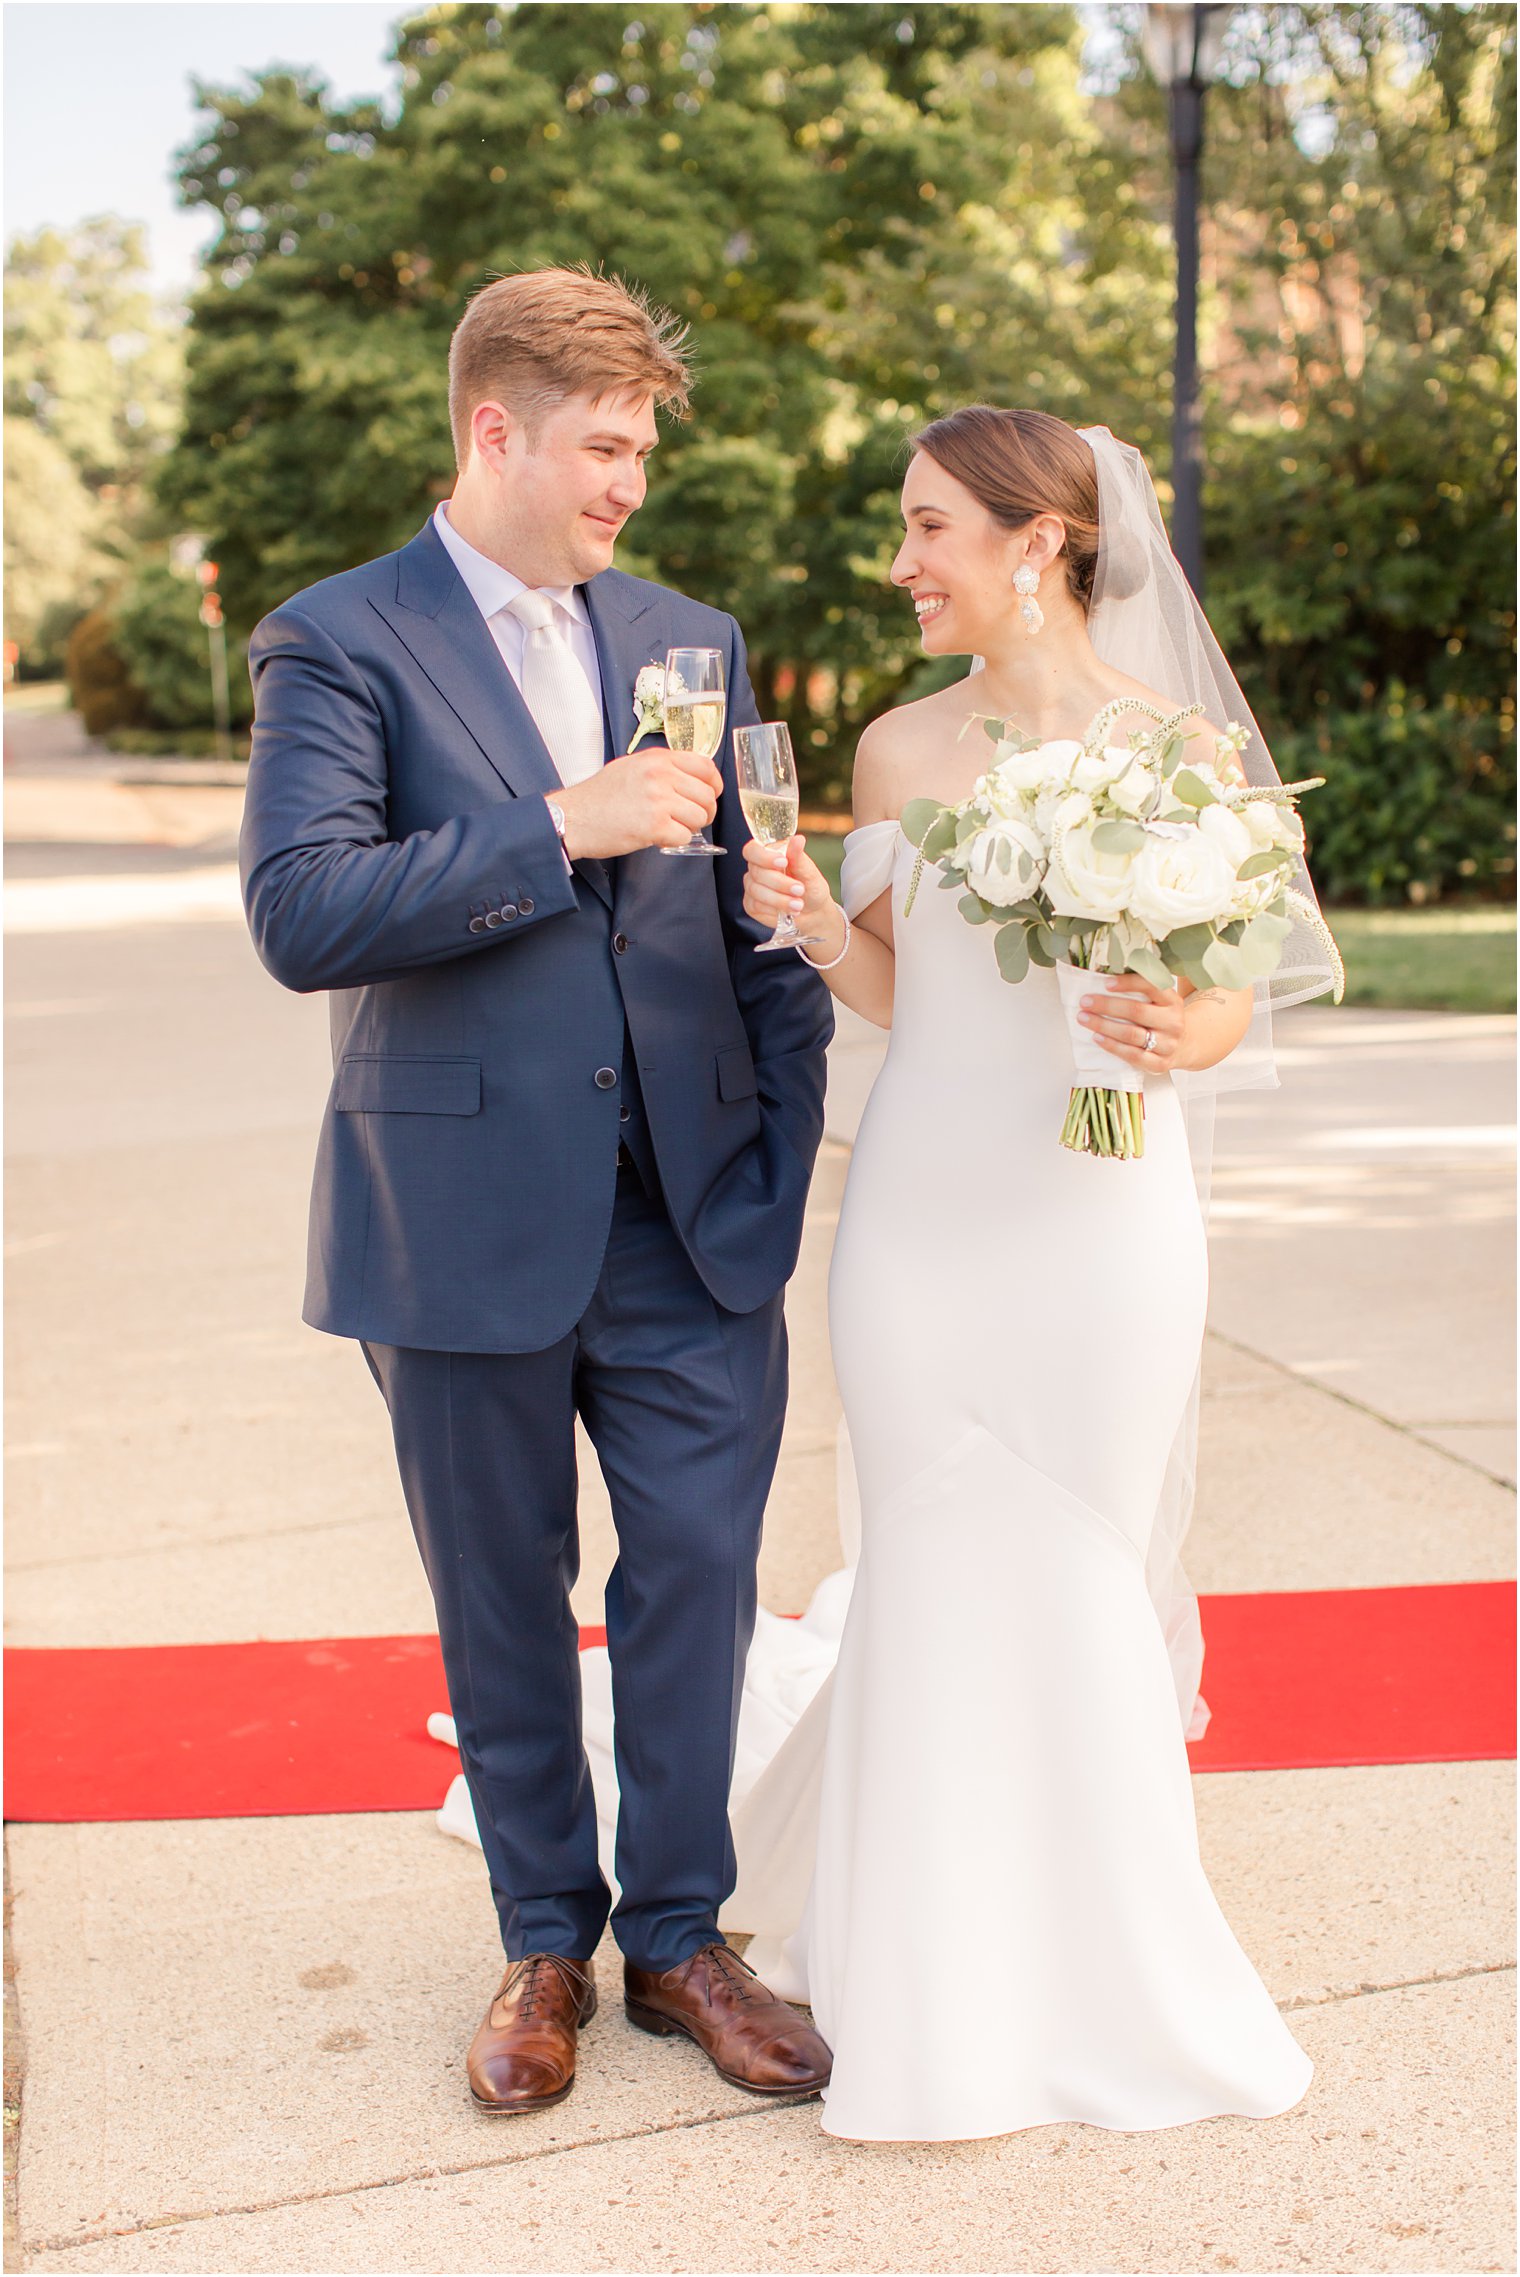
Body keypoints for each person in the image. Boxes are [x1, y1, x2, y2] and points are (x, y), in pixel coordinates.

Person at [240, 268, 834, 2116]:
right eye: (603, 445)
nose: (628, 485)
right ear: (492, 428)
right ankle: (540, 1941)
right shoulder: (338, 639)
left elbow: (753, 897)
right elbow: (303, 909)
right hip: (460, 1218)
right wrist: (557, 823)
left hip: (687, 1215)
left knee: (702, 1578)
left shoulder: (689, 630)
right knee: (503, 1596)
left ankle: (680, 1934)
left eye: (643, 448)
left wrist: (773, 1120)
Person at [736, 406, 1334, 2143]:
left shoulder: (1187, 755)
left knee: (1080, 1555)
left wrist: (1177, 1021)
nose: (902, 562)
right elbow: (900, 989)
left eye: (930, 528)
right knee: (926, 1551)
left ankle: (1114, 1970)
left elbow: (1235, 997)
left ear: (1040, 541)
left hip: (1105, 1215)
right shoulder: (900, 748)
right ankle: (930, 1981)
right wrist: (804, 919)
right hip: (925, 1215)